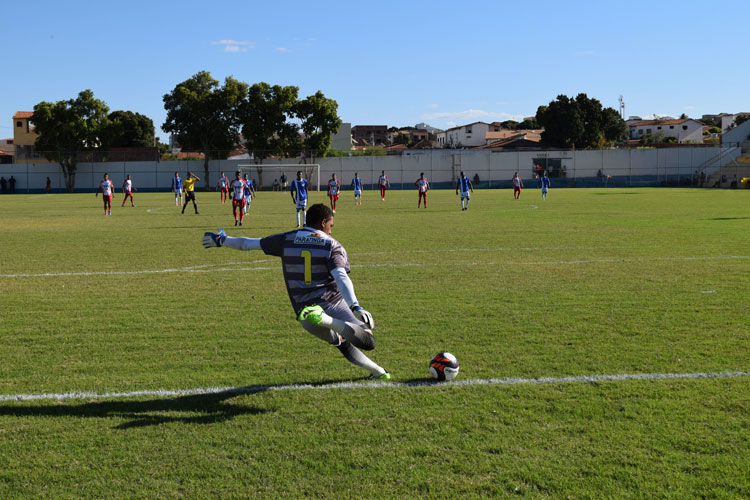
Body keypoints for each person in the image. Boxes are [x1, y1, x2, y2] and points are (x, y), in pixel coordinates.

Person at [202, 203, 391, 380]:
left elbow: (247, 244)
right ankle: (328, 321)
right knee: (368, 340)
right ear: (323, 223)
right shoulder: (331, 245)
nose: (331, 230)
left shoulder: (287, 239)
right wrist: (355, 305)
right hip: (331, 303)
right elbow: (341, 276)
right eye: (330, 225)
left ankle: (378, 372)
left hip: (305, 314)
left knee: (341, 341)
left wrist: (222, 240)